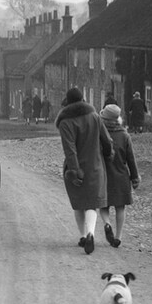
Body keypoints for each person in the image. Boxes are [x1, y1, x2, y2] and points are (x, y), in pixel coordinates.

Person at [55, 87, 114, 255]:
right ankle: (90, 234)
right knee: (92, 204)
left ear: (68, 102)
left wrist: (74, 170)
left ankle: (82, 236)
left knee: (79, 203)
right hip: (95, 166)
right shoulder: (95, 117)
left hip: (76, 168)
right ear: (82, 100)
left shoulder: (65, 122)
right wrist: (109, 154)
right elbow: (107, 141)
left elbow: (70, 150)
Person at [97, 104, 140, 248]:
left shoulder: (100, 134)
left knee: (103, 206)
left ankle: (107, 223)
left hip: (104, 175)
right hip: (121, 175)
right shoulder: (124, 135)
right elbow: (131, 159)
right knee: (120, 207)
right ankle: (118, 237)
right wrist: (134, 177)